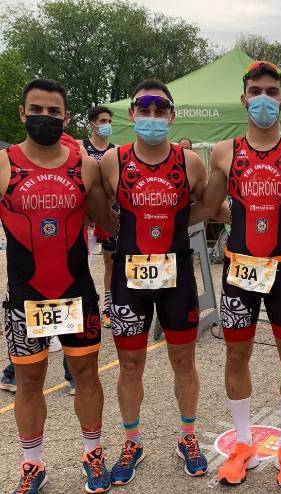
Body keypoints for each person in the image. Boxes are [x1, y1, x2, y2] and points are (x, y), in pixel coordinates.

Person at [190, 60, 281, 487]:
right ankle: (243, 443)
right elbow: (210, 205)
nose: (264, 99)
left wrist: (277, 224)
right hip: (239, 270)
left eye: (271, 92)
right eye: (256, 92)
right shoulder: (224, 151)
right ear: (244, 99)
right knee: (236, 354)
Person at [0, 78, 117, 494]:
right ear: (22, 113)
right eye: (36, 110)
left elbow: (106, 221)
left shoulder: (83, 165)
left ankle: (93, 453)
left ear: (66, 118)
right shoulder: (5, 164)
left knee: (86, 376)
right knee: (28, 382)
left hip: (75, 291)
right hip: (25, 295)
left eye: (53, 112)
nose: (44, 118)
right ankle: (33, 464)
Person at [99, 79, 209, 485]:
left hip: (176, 275)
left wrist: (183, 223)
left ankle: (188, 435)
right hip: (129, 276)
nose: (151, 116)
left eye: (159, 109)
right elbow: (97, 205)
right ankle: (132, 442)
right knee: (130, 365)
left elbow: (209, 203)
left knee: (184, 362)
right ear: (132, 114)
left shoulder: (190, 162)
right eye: (143, 109)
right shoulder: (112, 160)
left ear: (171, 115)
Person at [80, 106, 117, 329]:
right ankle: (85, 306)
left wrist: (106, 210)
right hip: (86, 217)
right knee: (81, 264)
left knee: (111, 263)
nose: (107, 125)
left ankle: (108, 308)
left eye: (109, 121)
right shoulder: (81, 148)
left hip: (109, 213)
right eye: (102, 121)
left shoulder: (115, 151)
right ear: (92, 124)